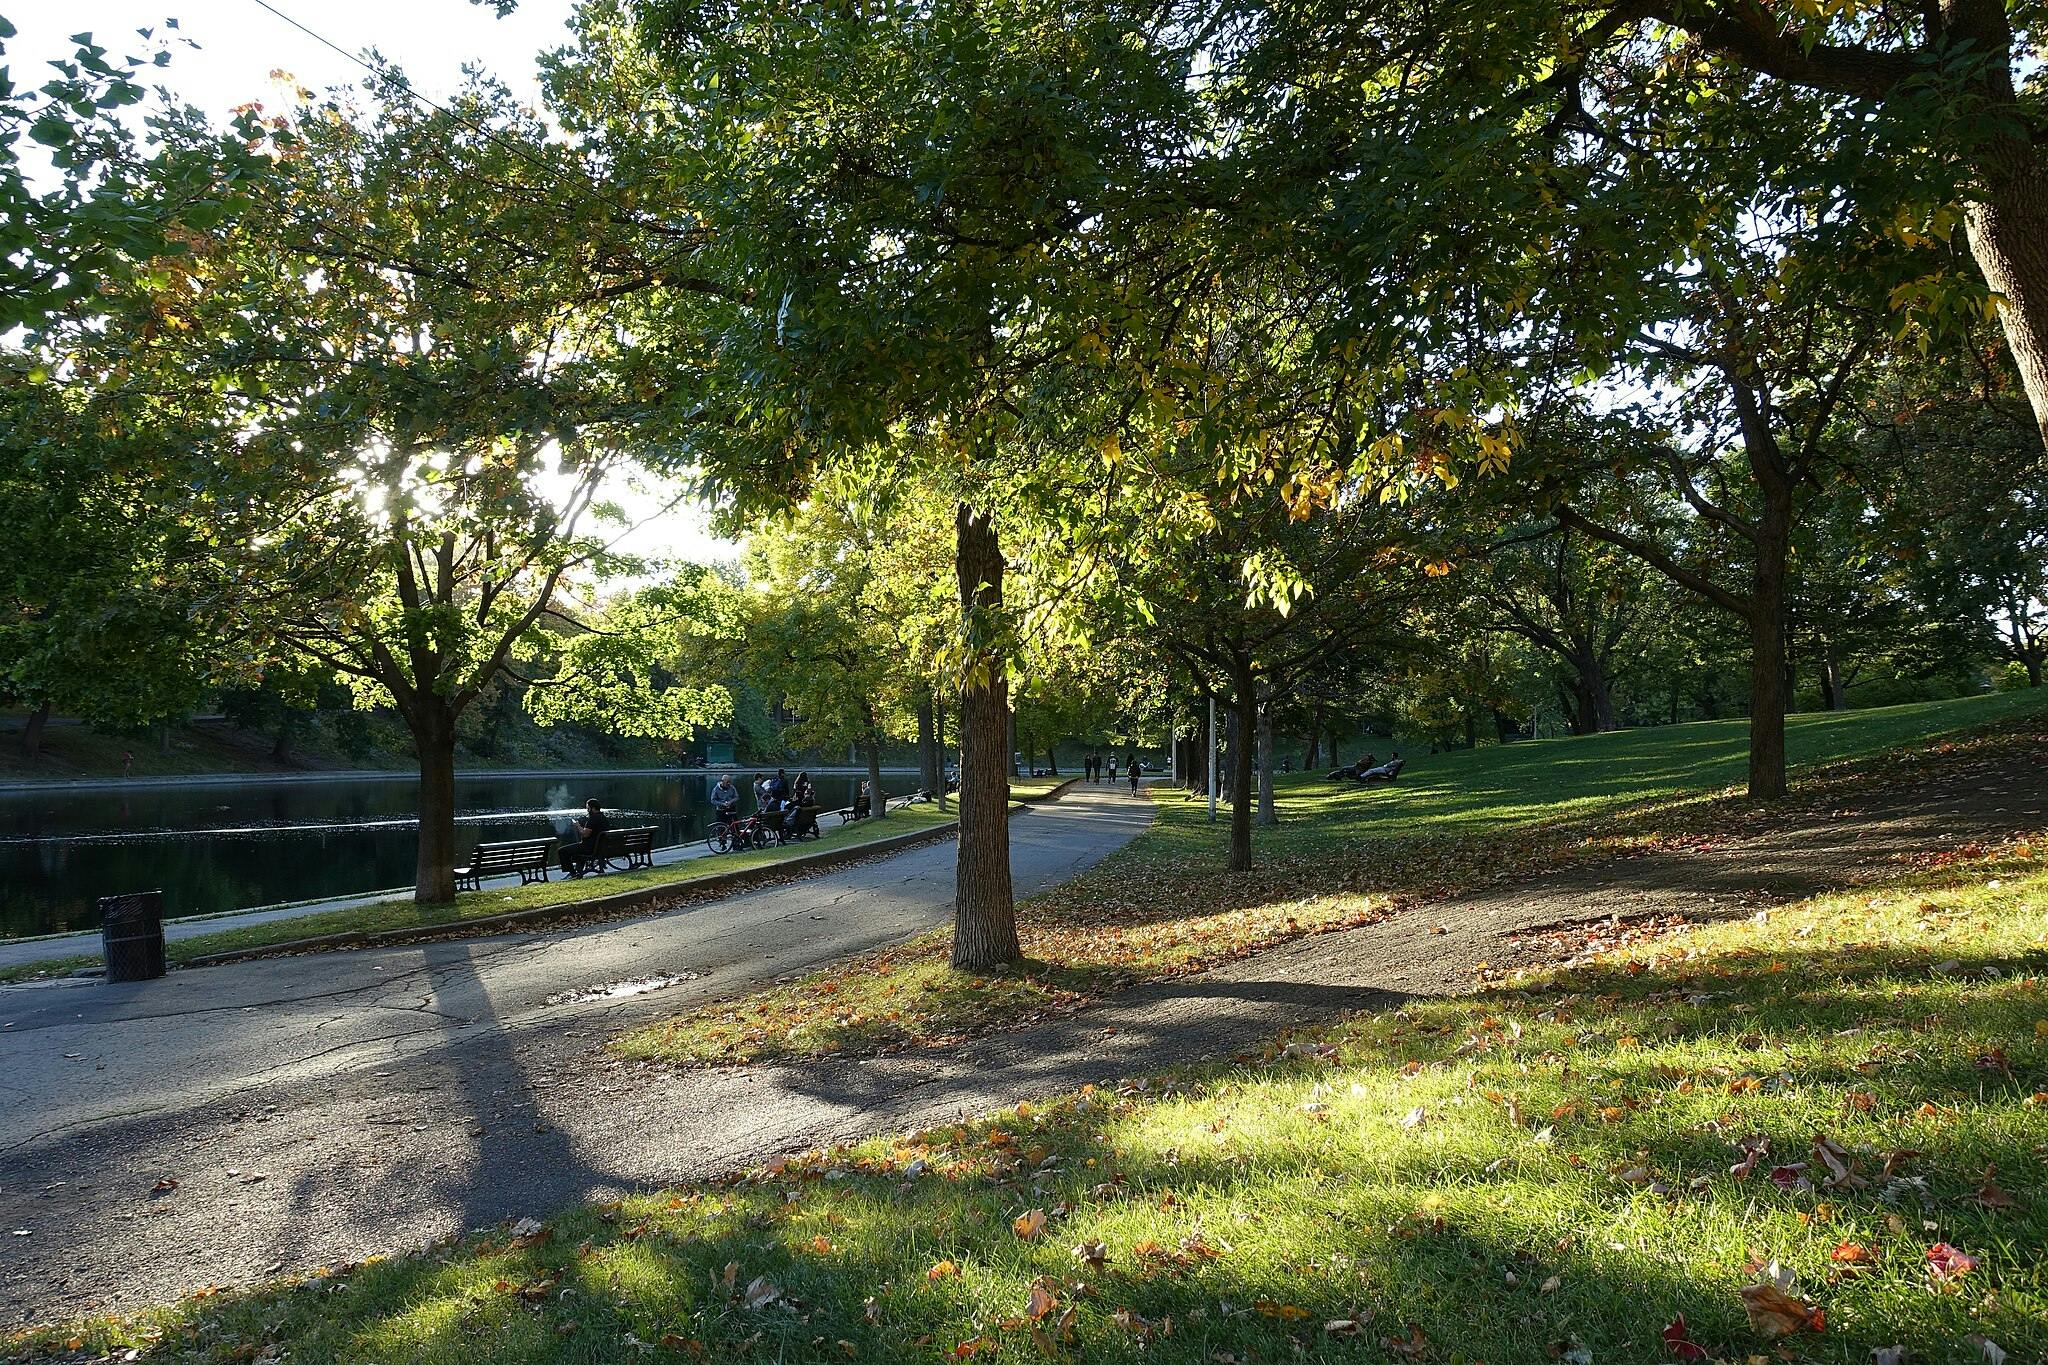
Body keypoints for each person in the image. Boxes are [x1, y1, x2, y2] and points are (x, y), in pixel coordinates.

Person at [560, 798, 610, 875]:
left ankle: (573, 873)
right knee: (575, 852)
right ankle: (578, 870)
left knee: (562, 851)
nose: (587, 810)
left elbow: (585, 834)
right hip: (600, 848)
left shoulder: (593, 819)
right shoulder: (604, 818)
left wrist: (577, 826)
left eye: (588, 808)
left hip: (590, 848)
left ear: (593, 808)